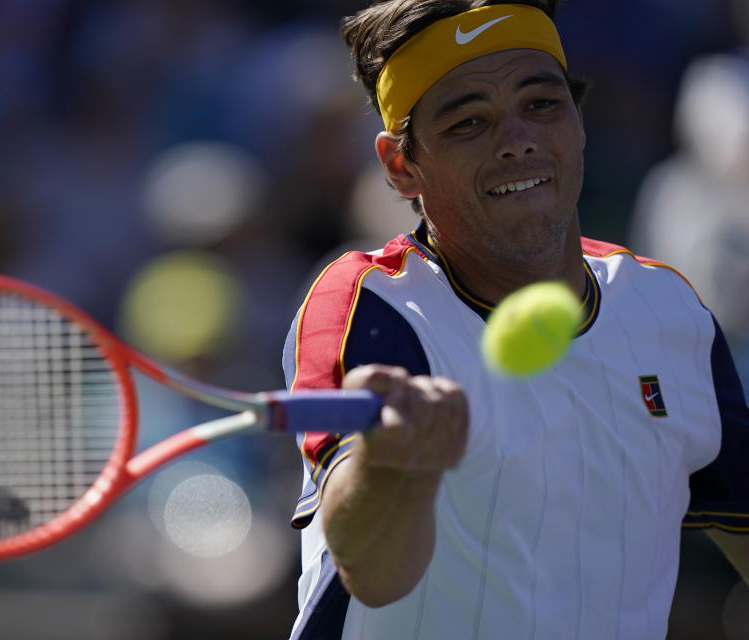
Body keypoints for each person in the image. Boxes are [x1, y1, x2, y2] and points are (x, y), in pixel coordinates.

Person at [281, 1, 749, 638]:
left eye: (542, 105)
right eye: (469, 122)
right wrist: (392, 467)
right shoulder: (370, 305)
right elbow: (376, 573)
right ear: (401, 166)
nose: (518, 141)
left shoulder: (669, 311)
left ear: (580, 120)